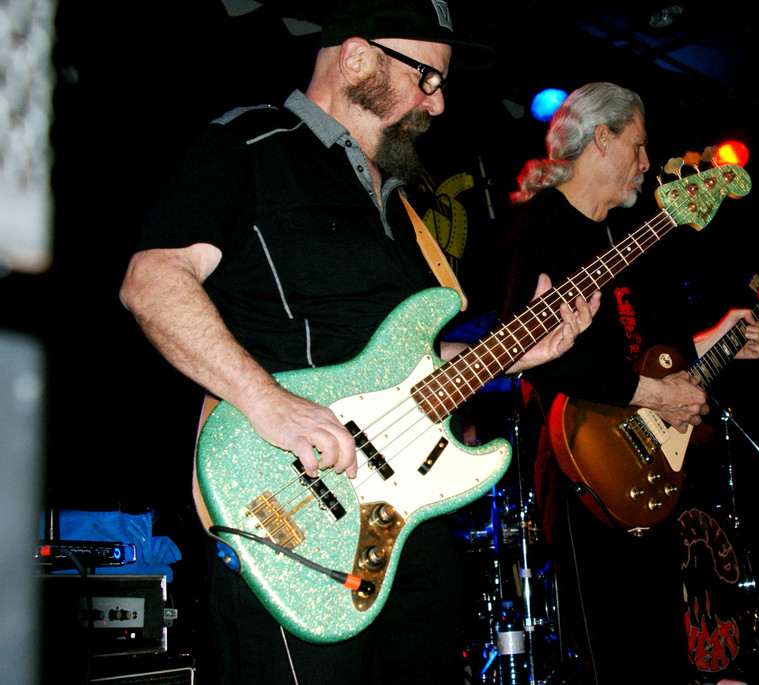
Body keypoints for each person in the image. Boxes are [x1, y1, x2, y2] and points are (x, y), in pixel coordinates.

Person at [118, 3, 598, 684]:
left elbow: (410, 369)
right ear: (357, 57)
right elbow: (153, 281)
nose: (438, 102)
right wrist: (269, 401)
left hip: (403, 528)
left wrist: (519, 351)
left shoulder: (403, 210)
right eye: (427, 78)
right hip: (292, 505)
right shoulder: (253, 144)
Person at [502, 82, 759, 683]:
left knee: (662, 651)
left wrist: (718, 338)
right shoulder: (543, 224)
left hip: (641, 462)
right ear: (602, 138)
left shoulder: (622, 240)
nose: (648, 163)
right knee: (615, 651)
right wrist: (653, 395)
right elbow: (533, 354)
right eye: (639, 145)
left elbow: (648, 354)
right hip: (579, 460)